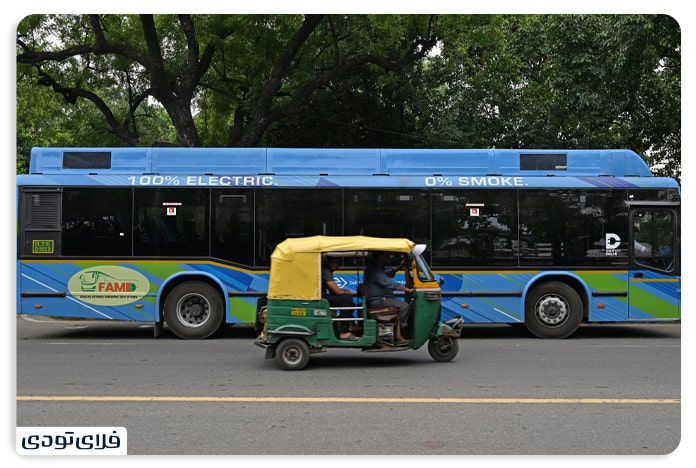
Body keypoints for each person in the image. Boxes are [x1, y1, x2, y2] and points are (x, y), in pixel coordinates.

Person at [363, 251, 414, 344]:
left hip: (382, 299)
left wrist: (399, 267)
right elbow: (388, 282)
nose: (389, 258)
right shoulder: (375, 269)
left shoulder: (378, 267)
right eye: (386, 255)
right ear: (380, 255)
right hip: (378, 300)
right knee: (404, 306)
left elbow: (387, 274)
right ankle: (401, 333)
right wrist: (408, 290)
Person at [322, 257, 358, 341]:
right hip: (321, 298)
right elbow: (337, 291)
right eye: (335, 262)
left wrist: (343, 291)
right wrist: (345, 292)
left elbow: (333, 291)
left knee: (351, 304)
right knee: (346, 299)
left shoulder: (328, 271)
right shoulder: (325, 271)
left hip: (323, 297)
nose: (337, 265)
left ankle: (347, 326)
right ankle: (344, 332)